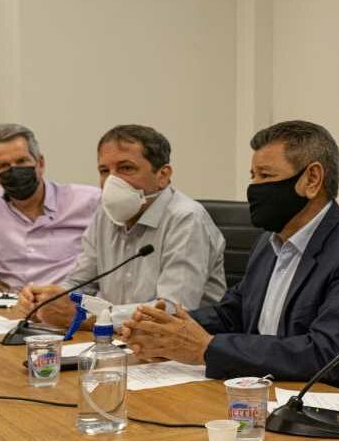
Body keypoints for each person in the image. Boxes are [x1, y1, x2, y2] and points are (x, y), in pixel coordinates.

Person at [120, 120, 339, 385]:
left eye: (266, 175)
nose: (253, 188)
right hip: (260, 385)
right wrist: (164, 329)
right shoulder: (269, 241)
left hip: (322, 400)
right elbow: (233, 313)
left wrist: (206, 348)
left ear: (312, 179)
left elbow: (326, 354)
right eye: (253, 176)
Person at [17, 124, 226, 327]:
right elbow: (81, 282)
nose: (112, 181)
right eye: (104, 170)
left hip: (180, 344)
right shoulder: (105, 214)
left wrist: (88, 317)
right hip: (117, 338)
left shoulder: (187, 218)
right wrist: (48, 300)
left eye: (126, 168)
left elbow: (173, 309)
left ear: (163, 175)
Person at [0, 124, 99, 292]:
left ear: (40, 163)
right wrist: (8, 299)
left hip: (71, 300)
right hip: (13, 303)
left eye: (21, 161)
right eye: (4, 165)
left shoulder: (90, 201)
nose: (14, 170)